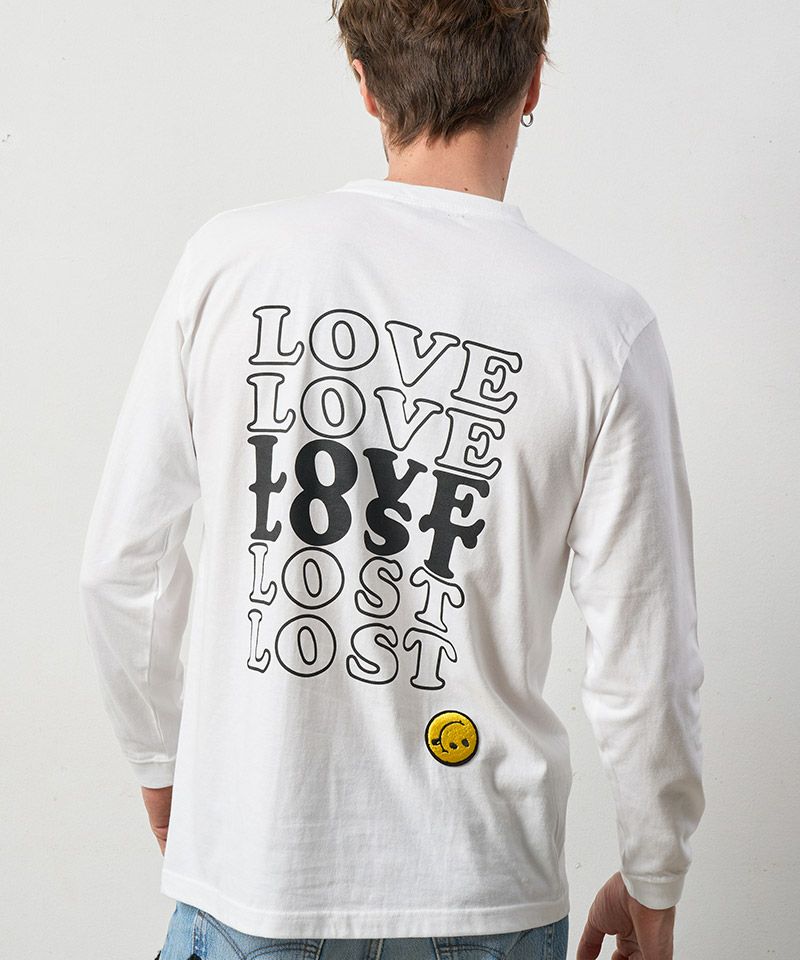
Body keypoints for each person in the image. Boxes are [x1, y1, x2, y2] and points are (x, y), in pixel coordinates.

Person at [78, 2, 706, 959]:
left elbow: (124, 567)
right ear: (533, 81)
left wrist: (161, 763)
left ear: (366, 86)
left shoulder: (233, 263)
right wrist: (654, 882)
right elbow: (645, 664)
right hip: (483, 893)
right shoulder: (601, 329)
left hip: (255, 879)